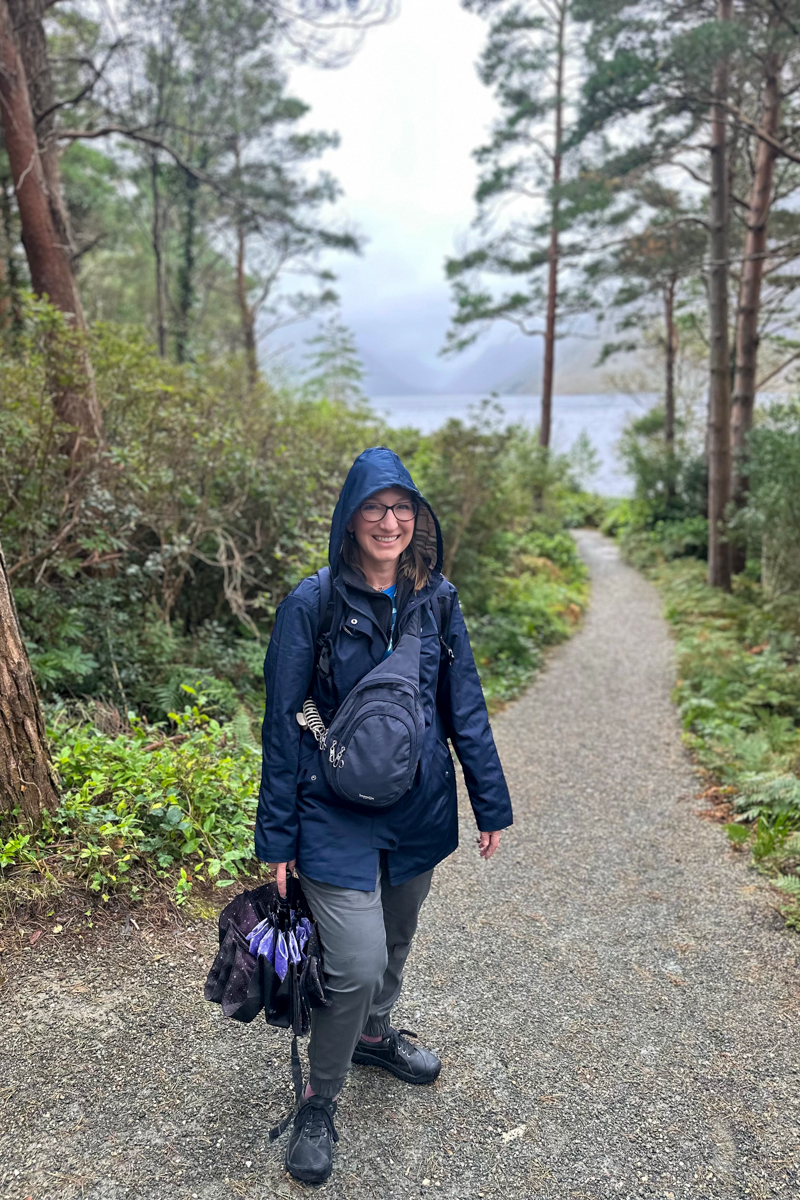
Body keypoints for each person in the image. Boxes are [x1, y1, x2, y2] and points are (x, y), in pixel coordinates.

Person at [255, 446, 512, 1184]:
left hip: (418, 807)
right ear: (350, 518)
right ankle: (318, 1098)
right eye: (375, 507)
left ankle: (373, 1034)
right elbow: (281, 723)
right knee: (357, 959)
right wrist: (276, 835)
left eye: (403, 508)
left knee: (395, 939)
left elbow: (463, 707)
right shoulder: (312, 603)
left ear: (419, 520)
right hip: (331, 810)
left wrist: (488, 800)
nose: (390, 521)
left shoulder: (439, 599)